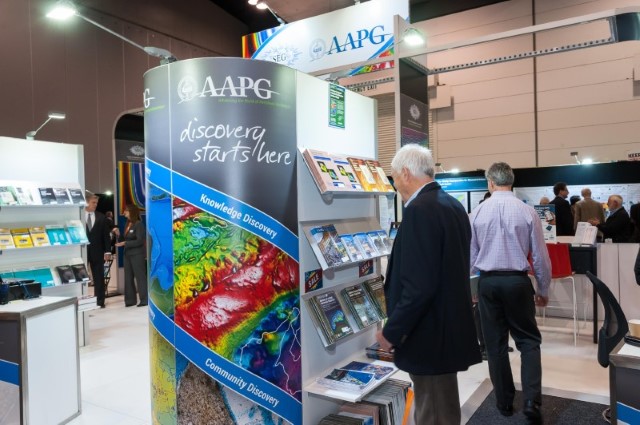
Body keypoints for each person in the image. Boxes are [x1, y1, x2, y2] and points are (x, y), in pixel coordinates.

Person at [375, 144, 481, 425]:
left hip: (429, 334)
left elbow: (419, 285)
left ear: (406, 173)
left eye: (394, 177)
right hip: (445, 329)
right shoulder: (452, 205)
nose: (395, 184)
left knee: (433, 411)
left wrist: (392, 331)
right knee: (442, 405)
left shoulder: (420, 210)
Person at [469, 162, 551, 424]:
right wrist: (543, 288)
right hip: (517, 282)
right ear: (511, 181)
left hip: (488, 283)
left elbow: (470, 257)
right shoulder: (528, 211)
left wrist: (473, 289)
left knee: (495, 344)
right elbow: (539, 256)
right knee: (528, 341)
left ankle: (504, 402)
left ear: (490, 183)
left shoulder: (477, 212)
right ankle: (531, 402)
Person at [115, 204, 148, 307]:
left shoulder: (139, 224)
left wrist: (126, 243)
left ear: (132, 212)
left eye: (126, 210)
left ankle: (144, 300)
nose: (124, 212)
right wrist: (118, 234)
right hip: (127, 254)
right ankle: (130, 301)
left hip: (137, 254)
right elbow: (125, 239)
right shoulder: (128, 224)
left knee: (140, 277)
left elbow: (139, 241)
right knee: (128, 277)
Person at [85, 194, 112, 308]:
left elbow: (106, 235)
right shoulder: (79, 215)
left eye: (96, 203)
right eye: (93, 202)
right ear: (86, 202)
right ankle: (81, 301)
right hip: (82, 251)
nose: (95, 205)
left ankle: (100, 301)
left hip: (98, 251)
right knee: (81, 277)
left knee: (99, 277)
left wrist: (108, 251)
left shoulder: (101, 217)